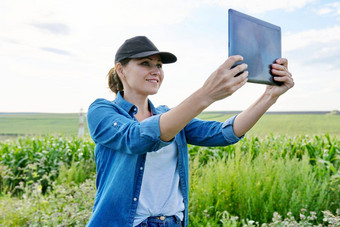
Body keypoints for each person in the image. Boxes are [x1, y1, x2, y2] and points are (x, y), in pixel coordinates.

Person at [86, 36, 294, 227]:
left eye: (158, 65)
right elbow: (135, 138)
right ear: (121, 70)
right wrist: (206, 94)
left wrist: (270, 96)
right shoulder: (102, 111)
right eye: (145, 63)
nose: (156, 71)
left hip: (173, 222)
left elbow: (222, 133)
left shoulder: (170, 115)